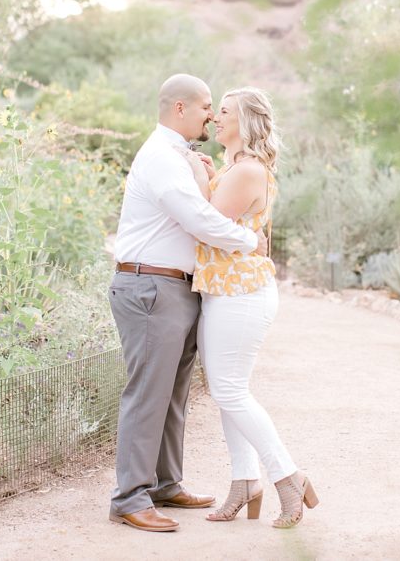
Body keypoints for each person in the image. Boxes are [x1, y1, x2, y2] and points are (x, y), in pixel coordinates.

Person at [108, 74, 269, 533]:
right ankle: (129, 497)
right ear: (180, 108)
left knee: (173, 394)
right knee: (147, 394)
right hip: (149, 287)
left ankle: (163, 483)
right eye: (206, 107)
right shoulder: (160, 157)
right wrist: (247, 241)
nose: (212, 115)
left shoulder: (179, 158)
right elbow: (198, 218)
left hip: (176, 287)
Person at [177, 86, 318, 529]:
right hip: (225, 293)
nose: (216, 119)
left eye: (224, 112)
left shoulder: (246, 171)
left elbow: (207, 226)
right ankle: (243, 482)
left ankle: (287, 477)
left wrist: (198, 176)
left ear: (246, 122)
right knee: (228, 392)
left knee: (231, 392)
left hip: (241, 295)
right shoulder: (233, 167)